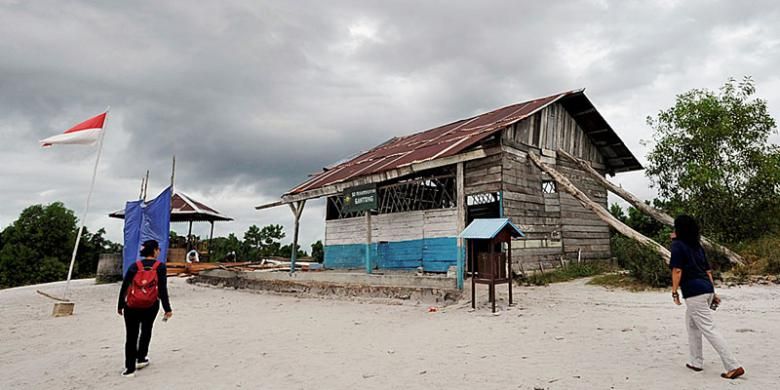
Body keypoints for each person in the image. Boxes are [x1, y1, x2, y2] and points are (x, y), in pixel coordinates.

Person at [670, 215, 744, 380]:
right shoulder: (697, 246)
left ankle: (733, 365)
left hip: (694, 293)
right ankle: (696, 361)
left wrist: (674, 292)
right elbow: (708, 271)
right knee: (692, 325)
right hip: (706, 288)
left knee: (709, 329)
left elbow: (677, 270)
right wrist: (713, 292)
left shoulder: (677, 245)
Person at [117, 239, 173, 378]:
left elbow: (124, 286)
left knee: (131, 336)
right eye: (158, 249)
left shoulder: (134, 266)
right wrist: (167, 308)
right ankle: (141, 358)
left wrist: (120, 304)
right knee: (146, 330)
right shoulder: (160, 267)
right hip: (151, 304)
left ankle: (129, 369)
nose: (159, 251)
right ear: (154, 250)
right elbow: (162, 289)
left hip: (132, 305)